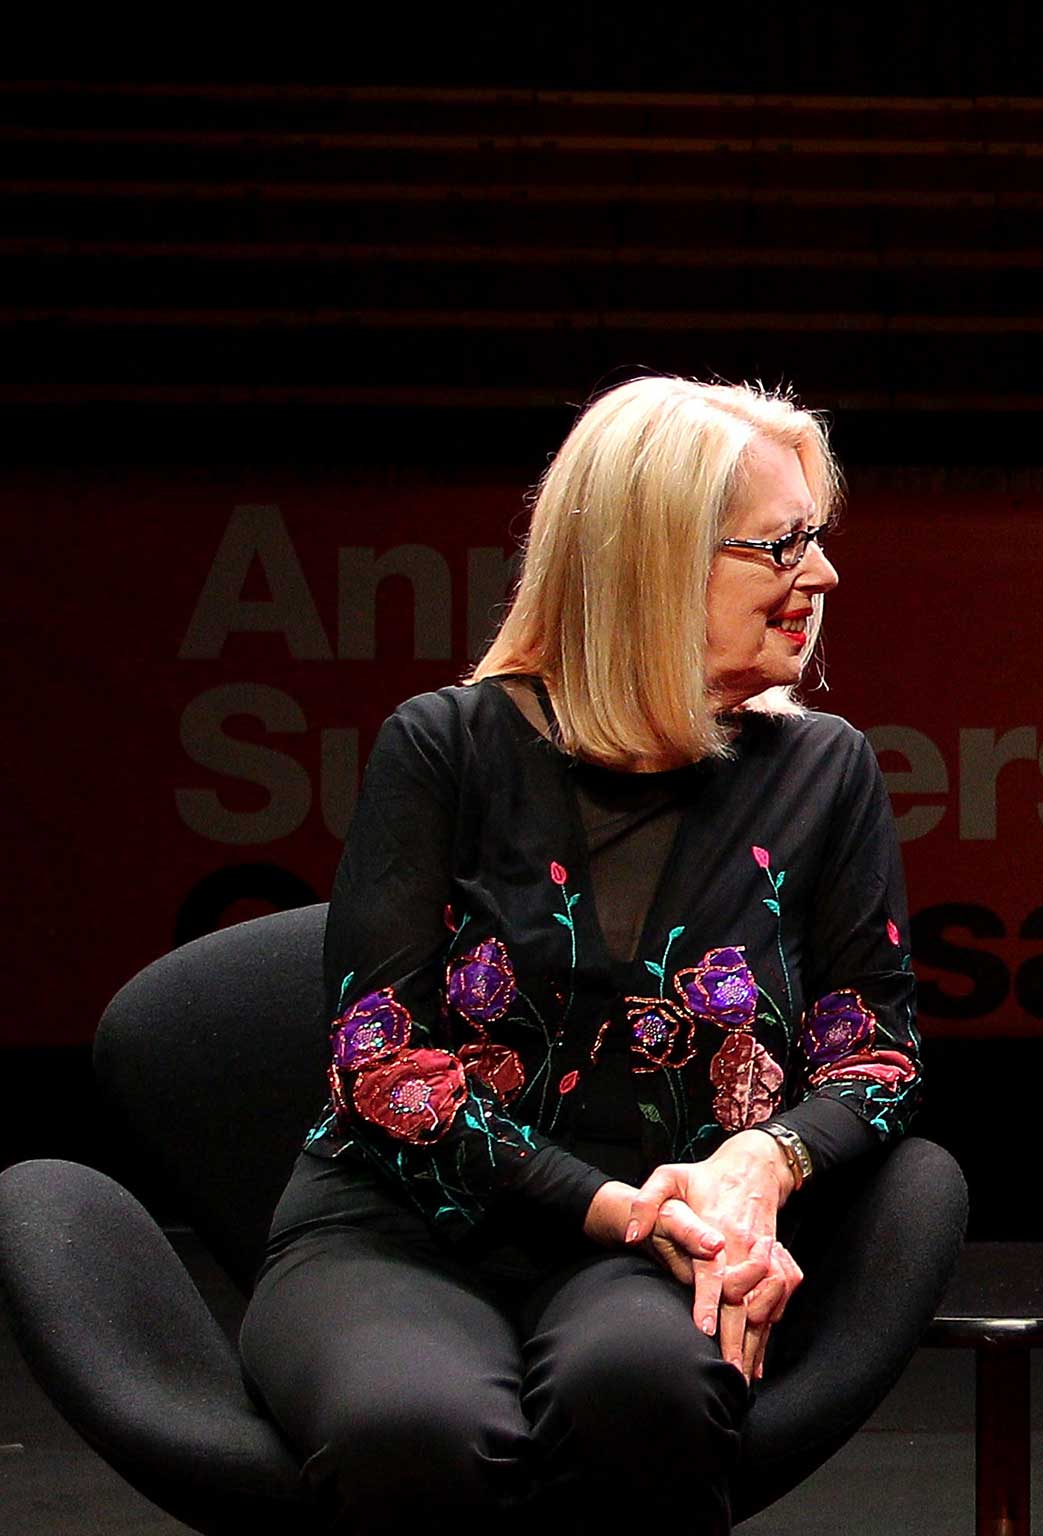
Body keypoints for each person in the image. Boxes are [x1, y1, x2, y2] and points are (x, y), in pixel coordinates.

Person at [239, 377, 922, 1534]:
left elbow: (878, 1056)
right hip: (399, 1233)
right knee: (415, 1431)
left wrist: (767, 1159)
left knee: (640, 1394)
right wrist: (610, 1204)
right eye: (781, 544)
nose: (822, 575)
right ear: (650, 562)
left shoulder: (824, 771)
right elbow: (380, 1064)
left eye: (818, 538)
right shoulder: (444, 747)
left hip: (662, 1254)